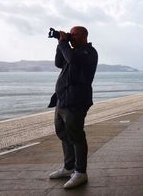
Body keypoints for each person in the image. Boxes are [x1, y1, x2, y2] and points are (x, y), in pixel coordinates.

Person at [48, 26, 98, 189]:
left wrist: (64, 43)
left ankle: (81, 172)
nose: (70, 37)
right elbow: (58, 63)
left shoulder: (88, 52)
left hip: (76, 101)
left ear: (84, 36)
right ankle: (69, 167)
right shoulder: (72, 52)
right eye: (70, 34)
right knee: (62, 133)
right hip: (62, 100)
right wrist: (59, 43)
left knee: (76, 135)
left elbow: (73, 60)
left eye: (73, 35)